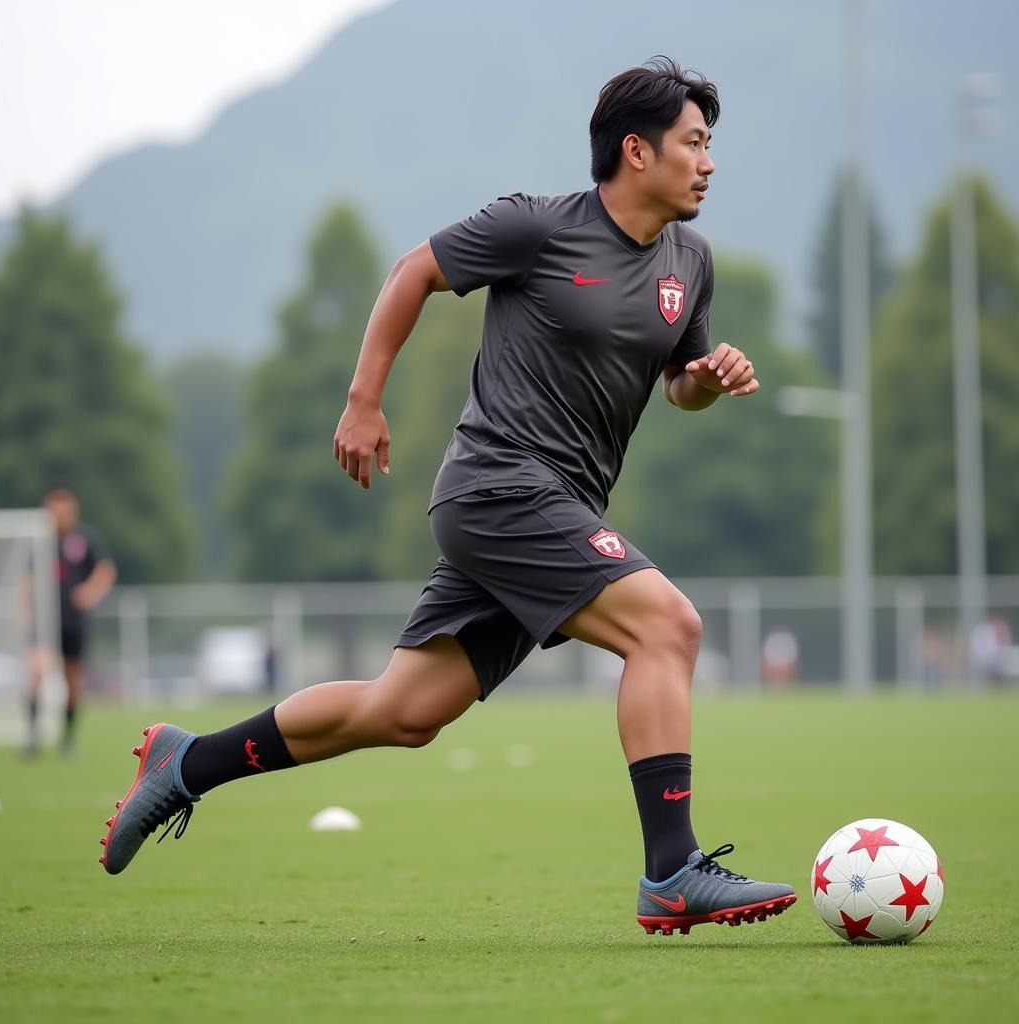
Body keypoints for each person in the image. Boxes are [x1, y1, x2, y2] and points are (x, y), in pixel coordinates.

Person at [100, 58, 796, 935]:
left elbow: (677, 387)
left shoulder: (689, 261)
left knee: (404, 713)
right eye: (694, 142)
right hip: (498, 487)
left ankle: (185, 762)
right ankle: (672, 871)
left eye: (709, 145)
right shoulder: (535, 226)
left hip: (558, 511)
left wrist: (707, 375)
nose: (708, 162)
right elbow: (410, 273)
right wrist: (363, 400)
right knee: (670, 626)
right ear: (636, 150)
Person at [27, 485, 116, 755]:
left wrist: (90, 592)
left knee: (72, 679)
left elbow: (105, 570)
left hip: (73, 621)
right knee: (37, 672)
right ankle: (33, 736)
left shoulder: (85, 540)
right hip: (44, 621)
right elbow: (26, 579)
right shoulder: (39, 542)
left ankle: (67, 739)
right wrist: (27, 612)